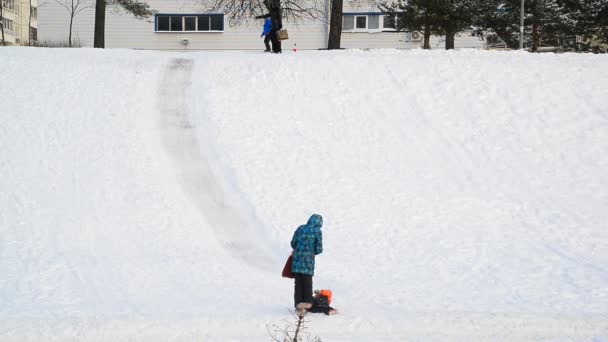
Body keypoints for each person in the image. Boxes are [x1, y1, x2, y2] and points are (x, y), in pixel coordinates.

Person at [291, 214, 323, 310]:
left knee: (298, 283)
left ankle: (298, 304)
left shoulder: (300, 228)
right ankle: (308, 302)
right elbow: (318, 248)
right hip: (308, 262)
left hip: (296, 260)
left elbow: (293, 243)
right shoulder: (317, 231)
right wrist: (311, 251)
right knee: (307, 281)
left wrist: (298, 249)